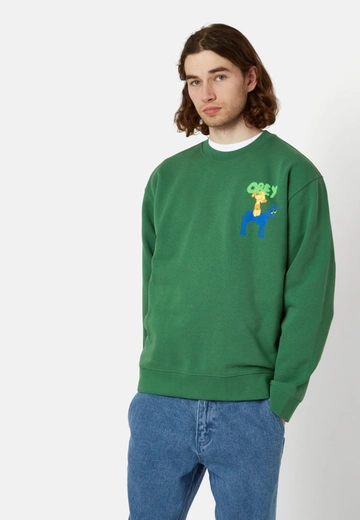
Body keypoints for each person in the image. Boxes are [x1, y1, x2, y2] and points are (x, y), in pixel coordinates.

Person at [127, 23, 335, 520]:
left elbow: (311, 295)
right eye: (193, 81)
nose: (206, 93)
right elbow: (152, 284)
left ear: (250, 78)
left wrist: (281, 397)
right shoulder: (166, 179)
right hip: (161, 401)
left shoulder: (293, 175)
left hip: (249, 407)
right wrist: (156, 368)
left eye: (218, 76)